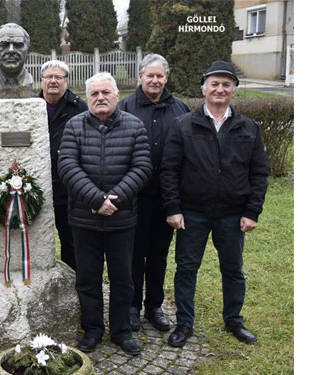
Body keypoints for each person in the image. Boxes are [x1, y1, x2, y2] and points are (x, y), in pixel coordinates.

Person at [160, 61, 268, 347]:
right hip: (192, 214)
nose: (220, 89)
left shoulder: (249, 128)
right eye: (214, 84)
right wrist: (173, 209)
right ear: (204, 88)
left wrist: (251, 211)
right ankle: (184, 324)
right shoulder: (183, 125)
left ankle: (234, 320)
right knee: (186, 268)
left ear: (233, 89)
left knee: (233, 270)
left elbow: (258, 173)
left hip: (232, 215)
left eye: (226, 84)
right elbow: (169, 170)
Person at [58, 72, 152, 355]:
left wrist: (117, 199)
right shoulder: (74, 126)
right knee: (88, 278)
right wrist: (96, 199)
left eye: (105, 93)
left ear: (116, 95)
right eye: (94, 94)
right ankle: (93, 329)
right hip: (84, 218)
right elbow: (67, 167)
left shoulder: (134, 126)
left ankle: (122, 330)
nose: (100, 98)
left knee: (123, 279)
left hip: (121, 219)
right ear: (88, 98)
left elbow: (143, 167)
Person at [118, 54, 189, 332]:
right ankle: (133, 306)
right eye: (150, 75)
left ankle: (154, 306)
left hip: (166, 199)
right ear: (140, 77)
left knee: (159, 255)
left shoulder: (180, 108)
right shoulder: (124, 108)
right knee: (133, 254)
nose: (155, 80)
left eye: (160, 76)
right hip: (133, 197)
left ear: (166, 78)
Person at [38, 60, 87, 271]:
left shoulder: (79, 107)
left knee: (72, 240)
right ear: (42, 81)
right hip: (37, 185)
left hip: (69, 188)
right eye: (49, 77)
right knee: (37, 237)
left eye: (59, 77)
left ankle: (72, 280)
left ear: (66, 81)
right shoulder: (31, 105)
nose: (53, 81)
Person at [0, 23, 33, 98]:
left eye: (18, 45)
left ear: (27, 52)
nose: (11, 50)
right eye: (4, 45)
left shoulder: (28, 81)